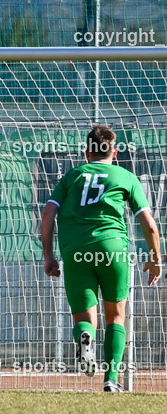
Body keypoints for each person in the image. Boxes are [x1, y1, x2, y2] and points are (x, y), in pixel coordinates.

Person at [41, 125, 161, 393]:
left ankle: (85, 337)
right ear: (115, 153)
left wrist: (49, 255)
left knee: (84, 317)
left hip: (76, 251)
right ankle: (111, 379)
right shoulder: (126, 176)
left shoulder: (72, 176)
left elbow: (47, 214)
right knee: (116, 317)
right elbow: (149, 224)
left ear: (87, 152)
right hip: (113, 249)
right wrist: (155, 258)